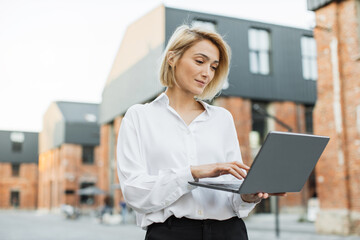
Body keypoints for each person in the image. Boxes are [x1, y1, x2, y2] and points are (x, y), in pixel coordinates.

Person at [117, 25, 285, 240]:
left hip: (229, 232)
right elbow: (135, 193)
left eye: (214, 67)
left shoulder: (222, 118)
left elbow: (233, 198)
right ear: (172, 58)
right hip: (170, 233)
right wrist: (193, 173)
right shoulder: (139, 116)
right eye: (199, 61)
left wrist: (247, 196)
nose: (207, 73)